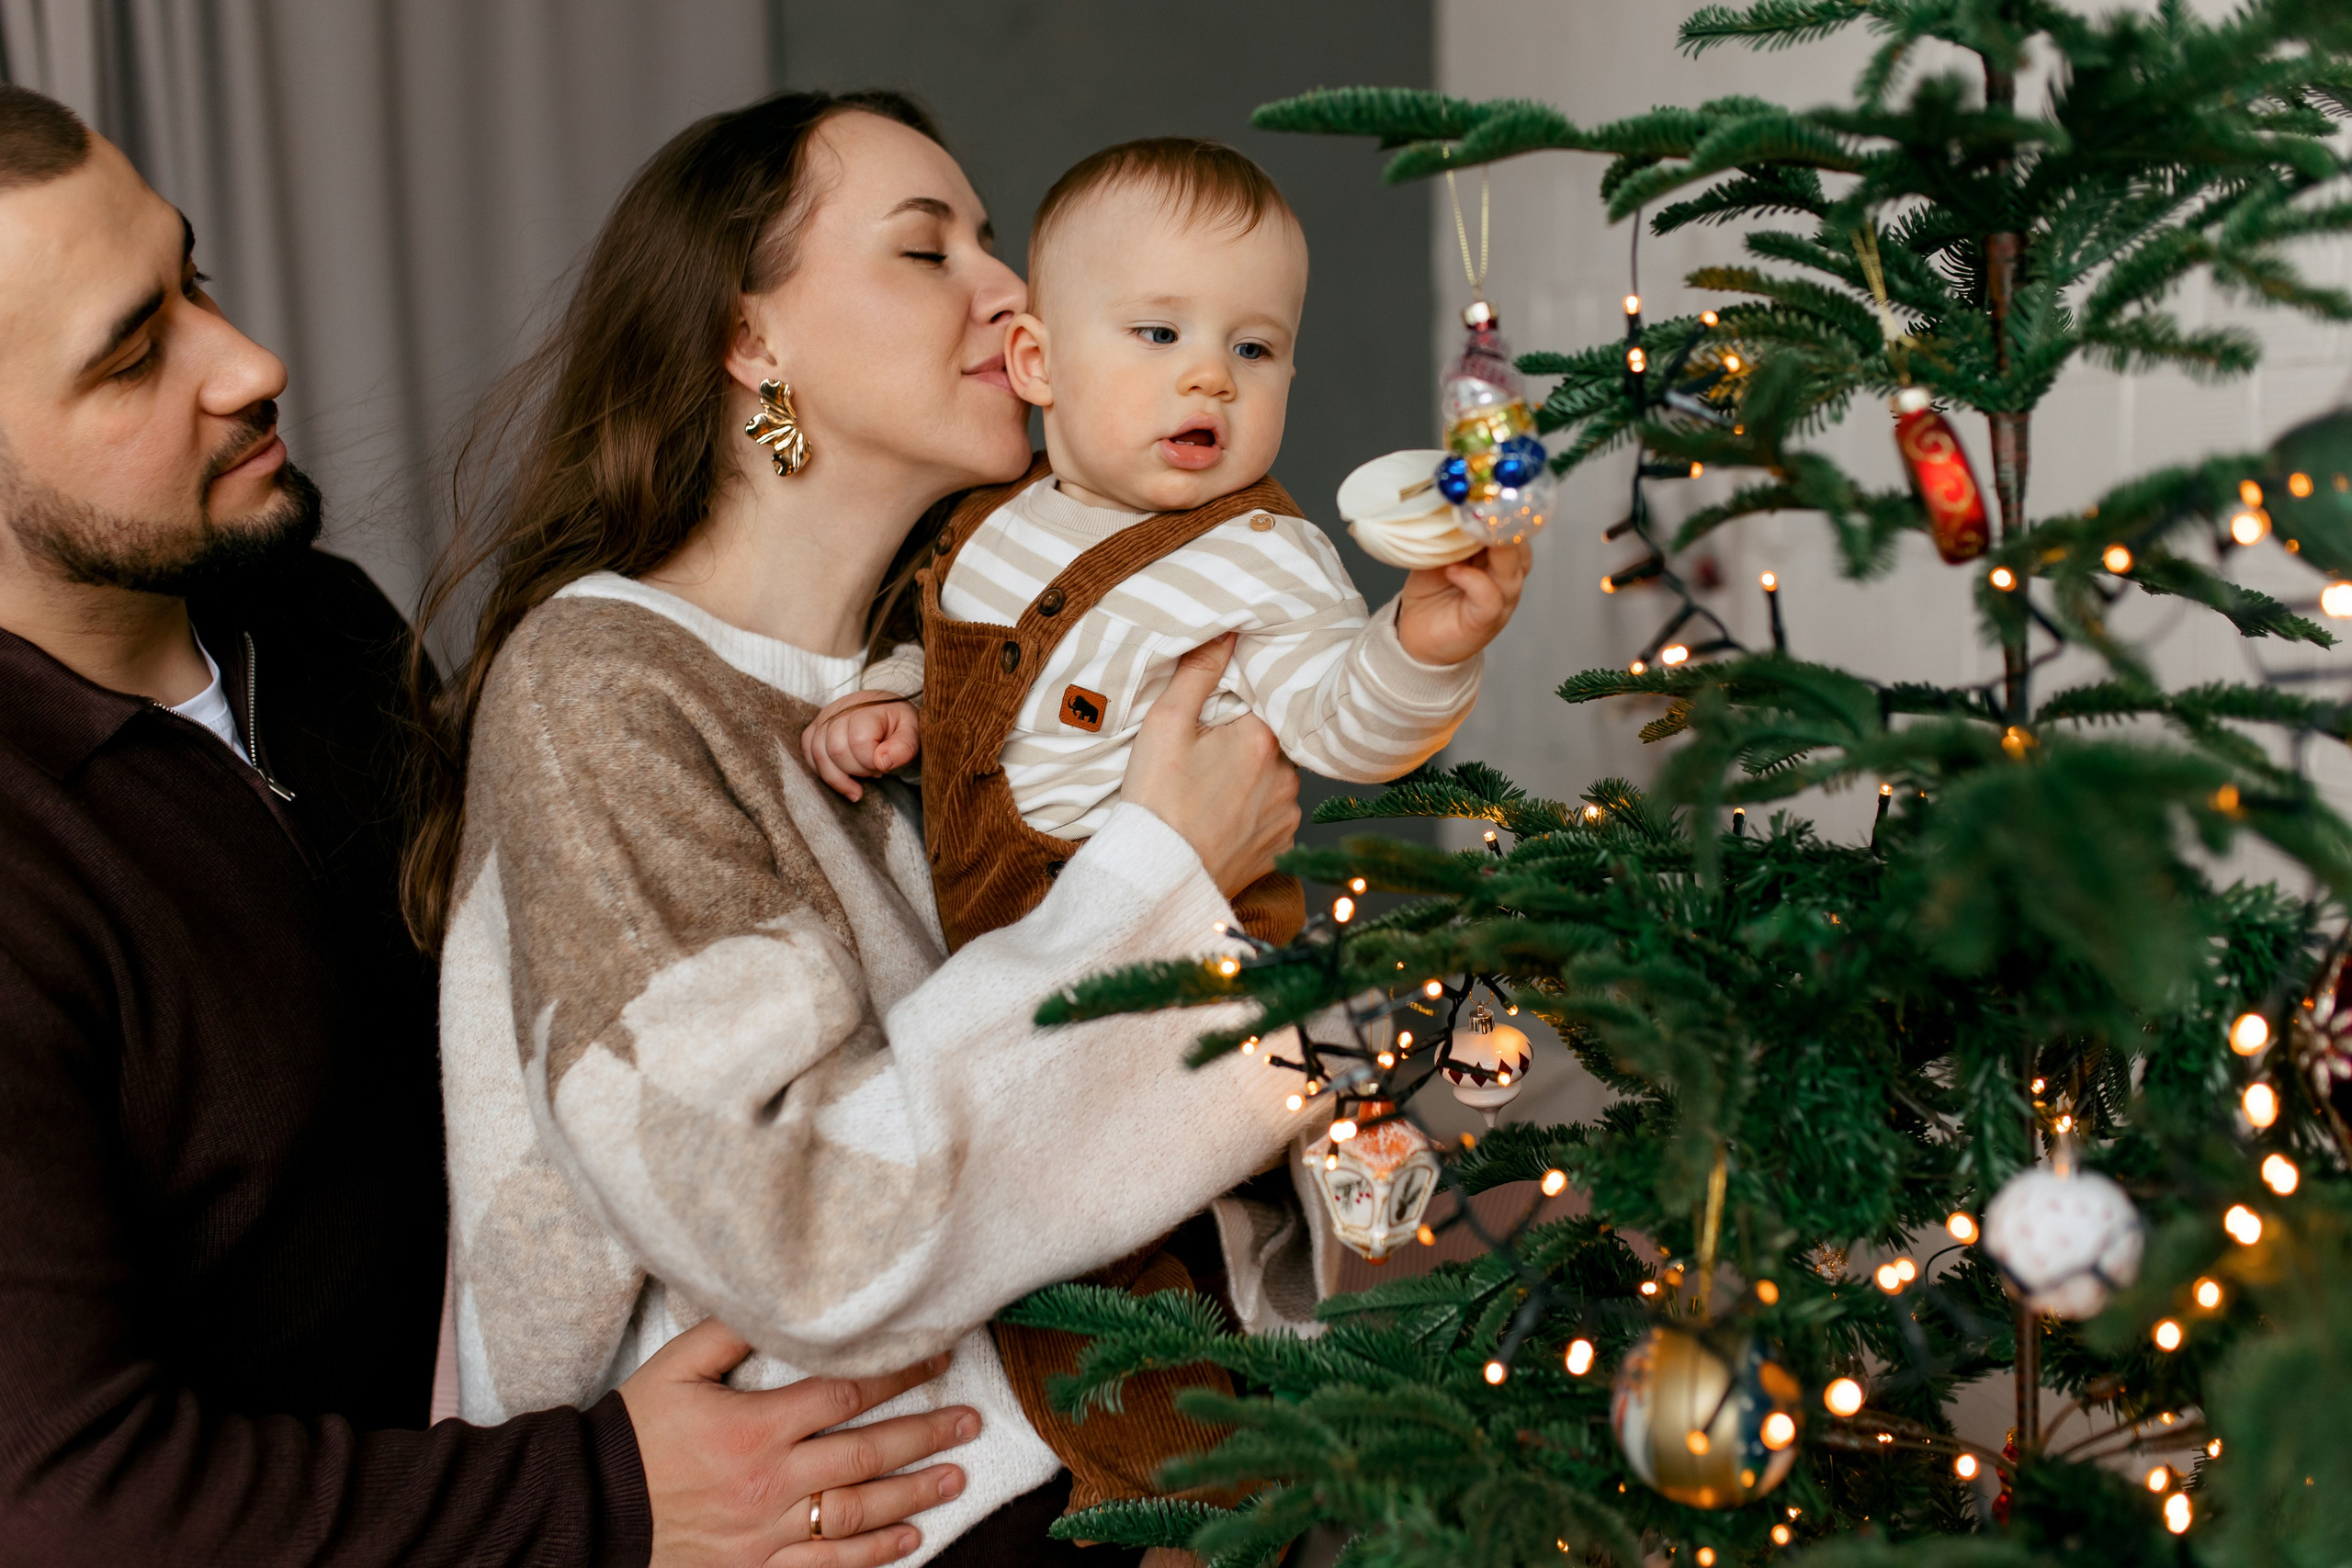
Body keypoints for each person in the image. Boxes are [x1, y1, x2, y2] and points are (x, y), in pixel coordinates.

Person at [0, 84, 978, 1567]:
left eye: (191, 276)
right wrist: (607, 1497)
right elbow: (70, 1501)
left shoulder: (316, 627)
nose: (248, 360)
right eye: (134, 355)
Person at [412, 93, 1321, 1568]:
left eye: (991, 240)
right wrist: (1165, 880)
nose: (1011, 288)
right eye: (926, 249)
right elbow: (798, 1233)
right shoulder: (603, 686)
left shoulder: (963, 678)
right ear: (749, 339)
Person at [798, 137, 1529, 1517]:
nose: (1211, 378)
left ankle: (1205, 1509)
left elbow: (1340, 717)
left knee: (1146, 1285)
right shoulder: (984, 526)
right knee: (1027, 1257)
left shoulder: (1263, 562)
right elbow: (963, 663)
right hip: (1012, 968)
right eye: (1159, 334)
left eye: (1255, 349)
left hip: (1179, 970)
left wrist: (1423, 646)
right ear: (1036, 363)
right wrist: (895, 704)